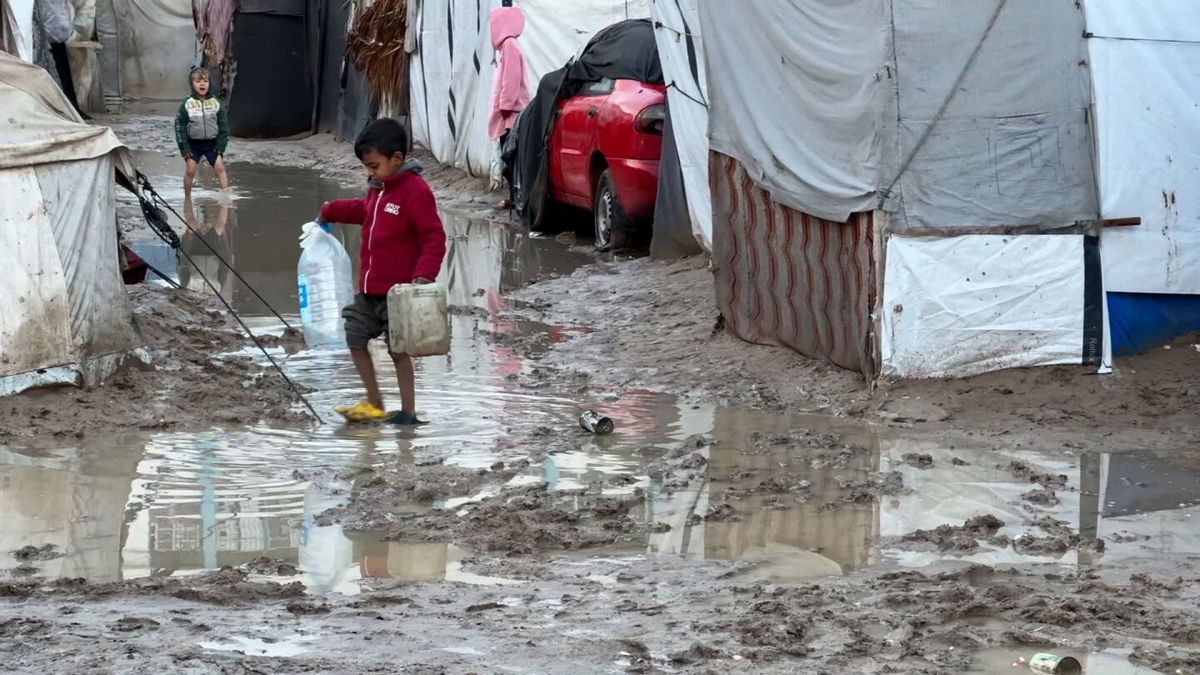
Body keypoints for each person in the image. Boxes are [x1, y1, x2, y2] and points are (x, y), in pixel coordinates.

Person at [319, 118, 447, 425]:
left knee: (398, 349)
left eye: (374, 166)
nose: (370, 172)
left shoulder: (415, 191)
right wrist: (330, 210)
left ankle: (408, 412)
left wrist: (423, 275)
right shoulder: (378, 189)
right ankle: (374, 402)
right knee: (354, 335)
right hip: (369, 289)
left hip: (399, 293)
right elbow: (364, 211)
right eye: (367, 167)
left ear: (397, 159)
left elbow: (434, 237)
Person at [488, 4, 530, 209]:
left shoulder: (510, 46)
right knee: (510, 157)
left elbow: (511, 80)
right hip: (509, 113)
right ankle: (514, 198)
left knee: (512, 157)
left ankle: (517, 199)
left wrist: (505, 105)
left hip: (511, 114)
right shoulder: (508, 46)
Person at [175, 67, 230, 196]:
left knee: (220, 168)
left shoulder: (215, 103)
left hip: (212, 144)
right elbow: (179, 127)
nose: (202, 84)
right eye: (198, 81)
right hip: (193, 145)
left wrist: (221, 146)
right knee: (190, 170)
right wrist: (184, 149)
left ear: (209, 83)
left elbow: (223, 126)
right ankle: (187, 198)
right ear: (192, 84)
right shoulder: (187, 104)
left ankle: (226, 197)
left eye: (205, 81)